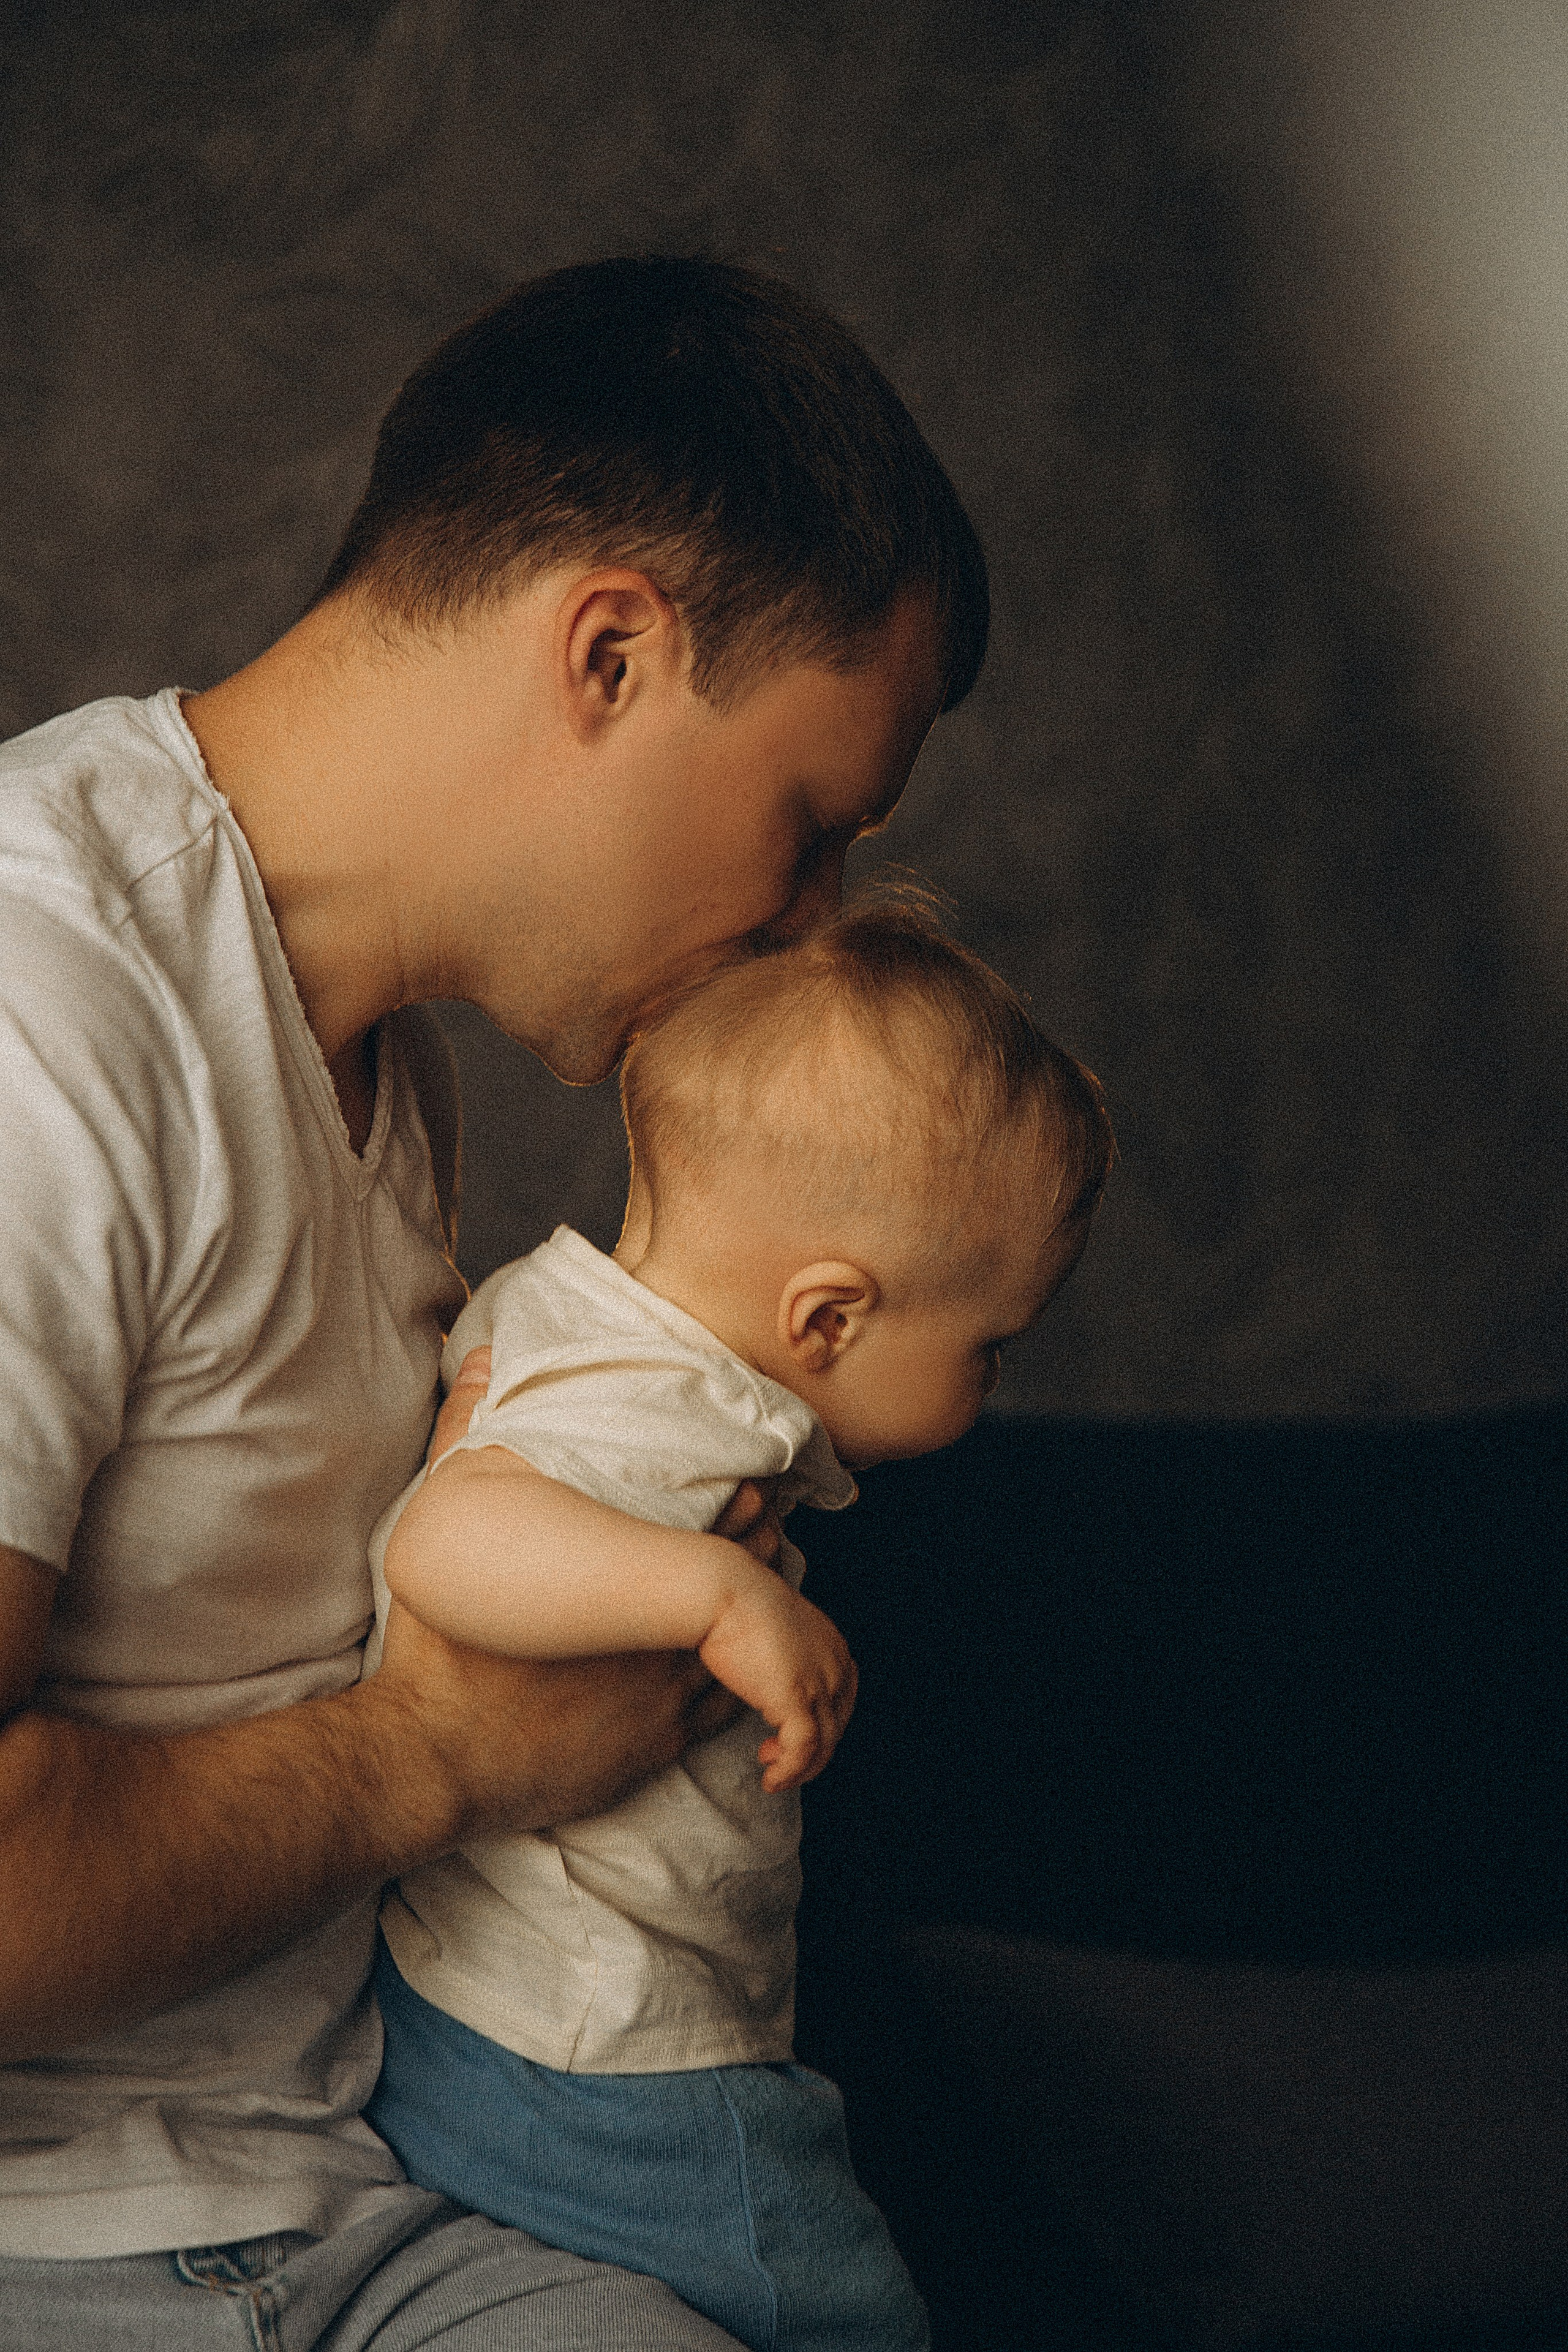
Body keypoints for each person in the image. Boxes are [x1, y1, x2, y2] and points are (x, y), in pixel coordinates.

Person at [0, 255, 988, 2346]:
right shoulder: (43, 1005)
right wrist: (436, 1755)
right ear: (612, 650)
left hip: (369, 2203)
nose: (801, 942)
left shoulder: (379, 1063)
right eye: (809, 830)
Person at [360, 898, 1114, 2352]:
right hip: (609, 2055)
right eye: (988, 1347)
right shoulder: (665, 1417)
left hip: (494, 2015)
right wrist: (714, 1593)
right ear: (826, 1319)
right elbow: (449, 1537)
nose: (993, 1386)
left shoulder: (564, 1318)